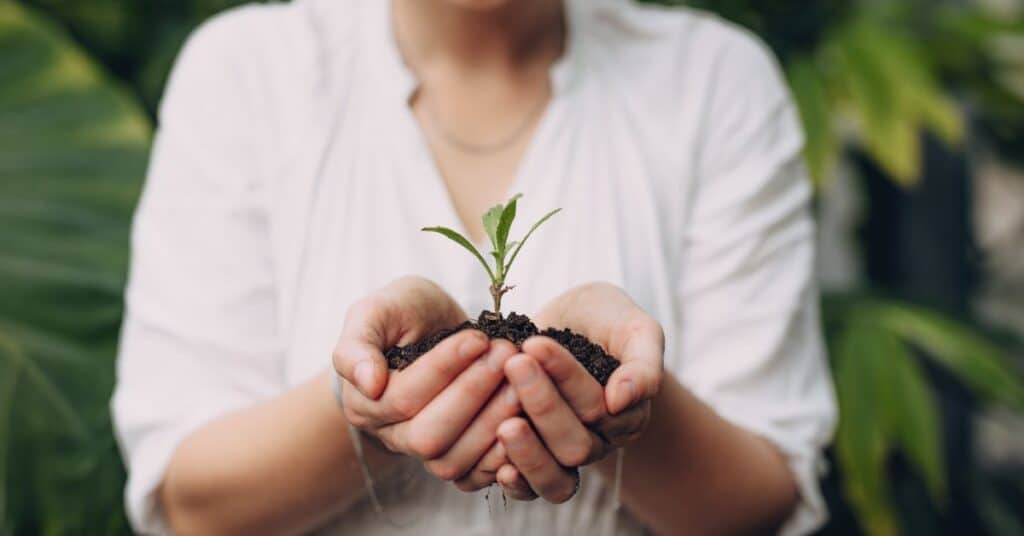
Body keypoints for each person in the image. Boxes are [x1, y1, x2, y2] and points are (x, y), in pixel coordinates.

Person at [112, 0, 837, 534]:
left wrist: (619, 400)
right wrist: (365, 407)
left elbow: (760, 502)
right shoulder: (246, 75)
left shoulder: (714, 83)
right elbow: (191, 499)